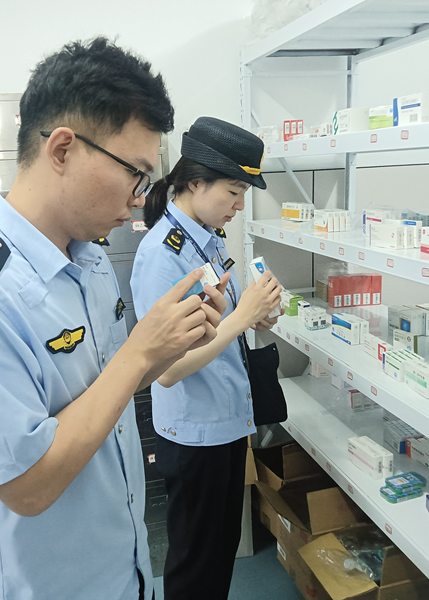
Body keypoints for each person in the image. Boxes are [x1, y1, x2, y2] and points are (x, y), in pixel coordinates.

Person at [0, 38, 229, 600]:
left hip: (123, 567)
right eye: (135, 173)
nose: (140, 198)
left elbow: (109, 386)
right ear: (62, 149)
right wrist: (140, 350)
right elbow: (27, 487)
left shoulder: (89, 259)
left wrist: (174, 342)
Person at [130, 117, 283, 600]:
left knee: (217, 553)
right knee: (197, 564)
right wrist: (241, 319)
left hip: (224, 421)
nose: (239, 206)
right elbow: (168, 369)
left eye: (244, 194)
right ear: (195, 182)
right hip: (196, 433)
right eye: (234, 192)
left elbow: (213, 326)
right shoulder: (163, 255)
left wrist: (253, 316)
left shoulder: (206, 236)